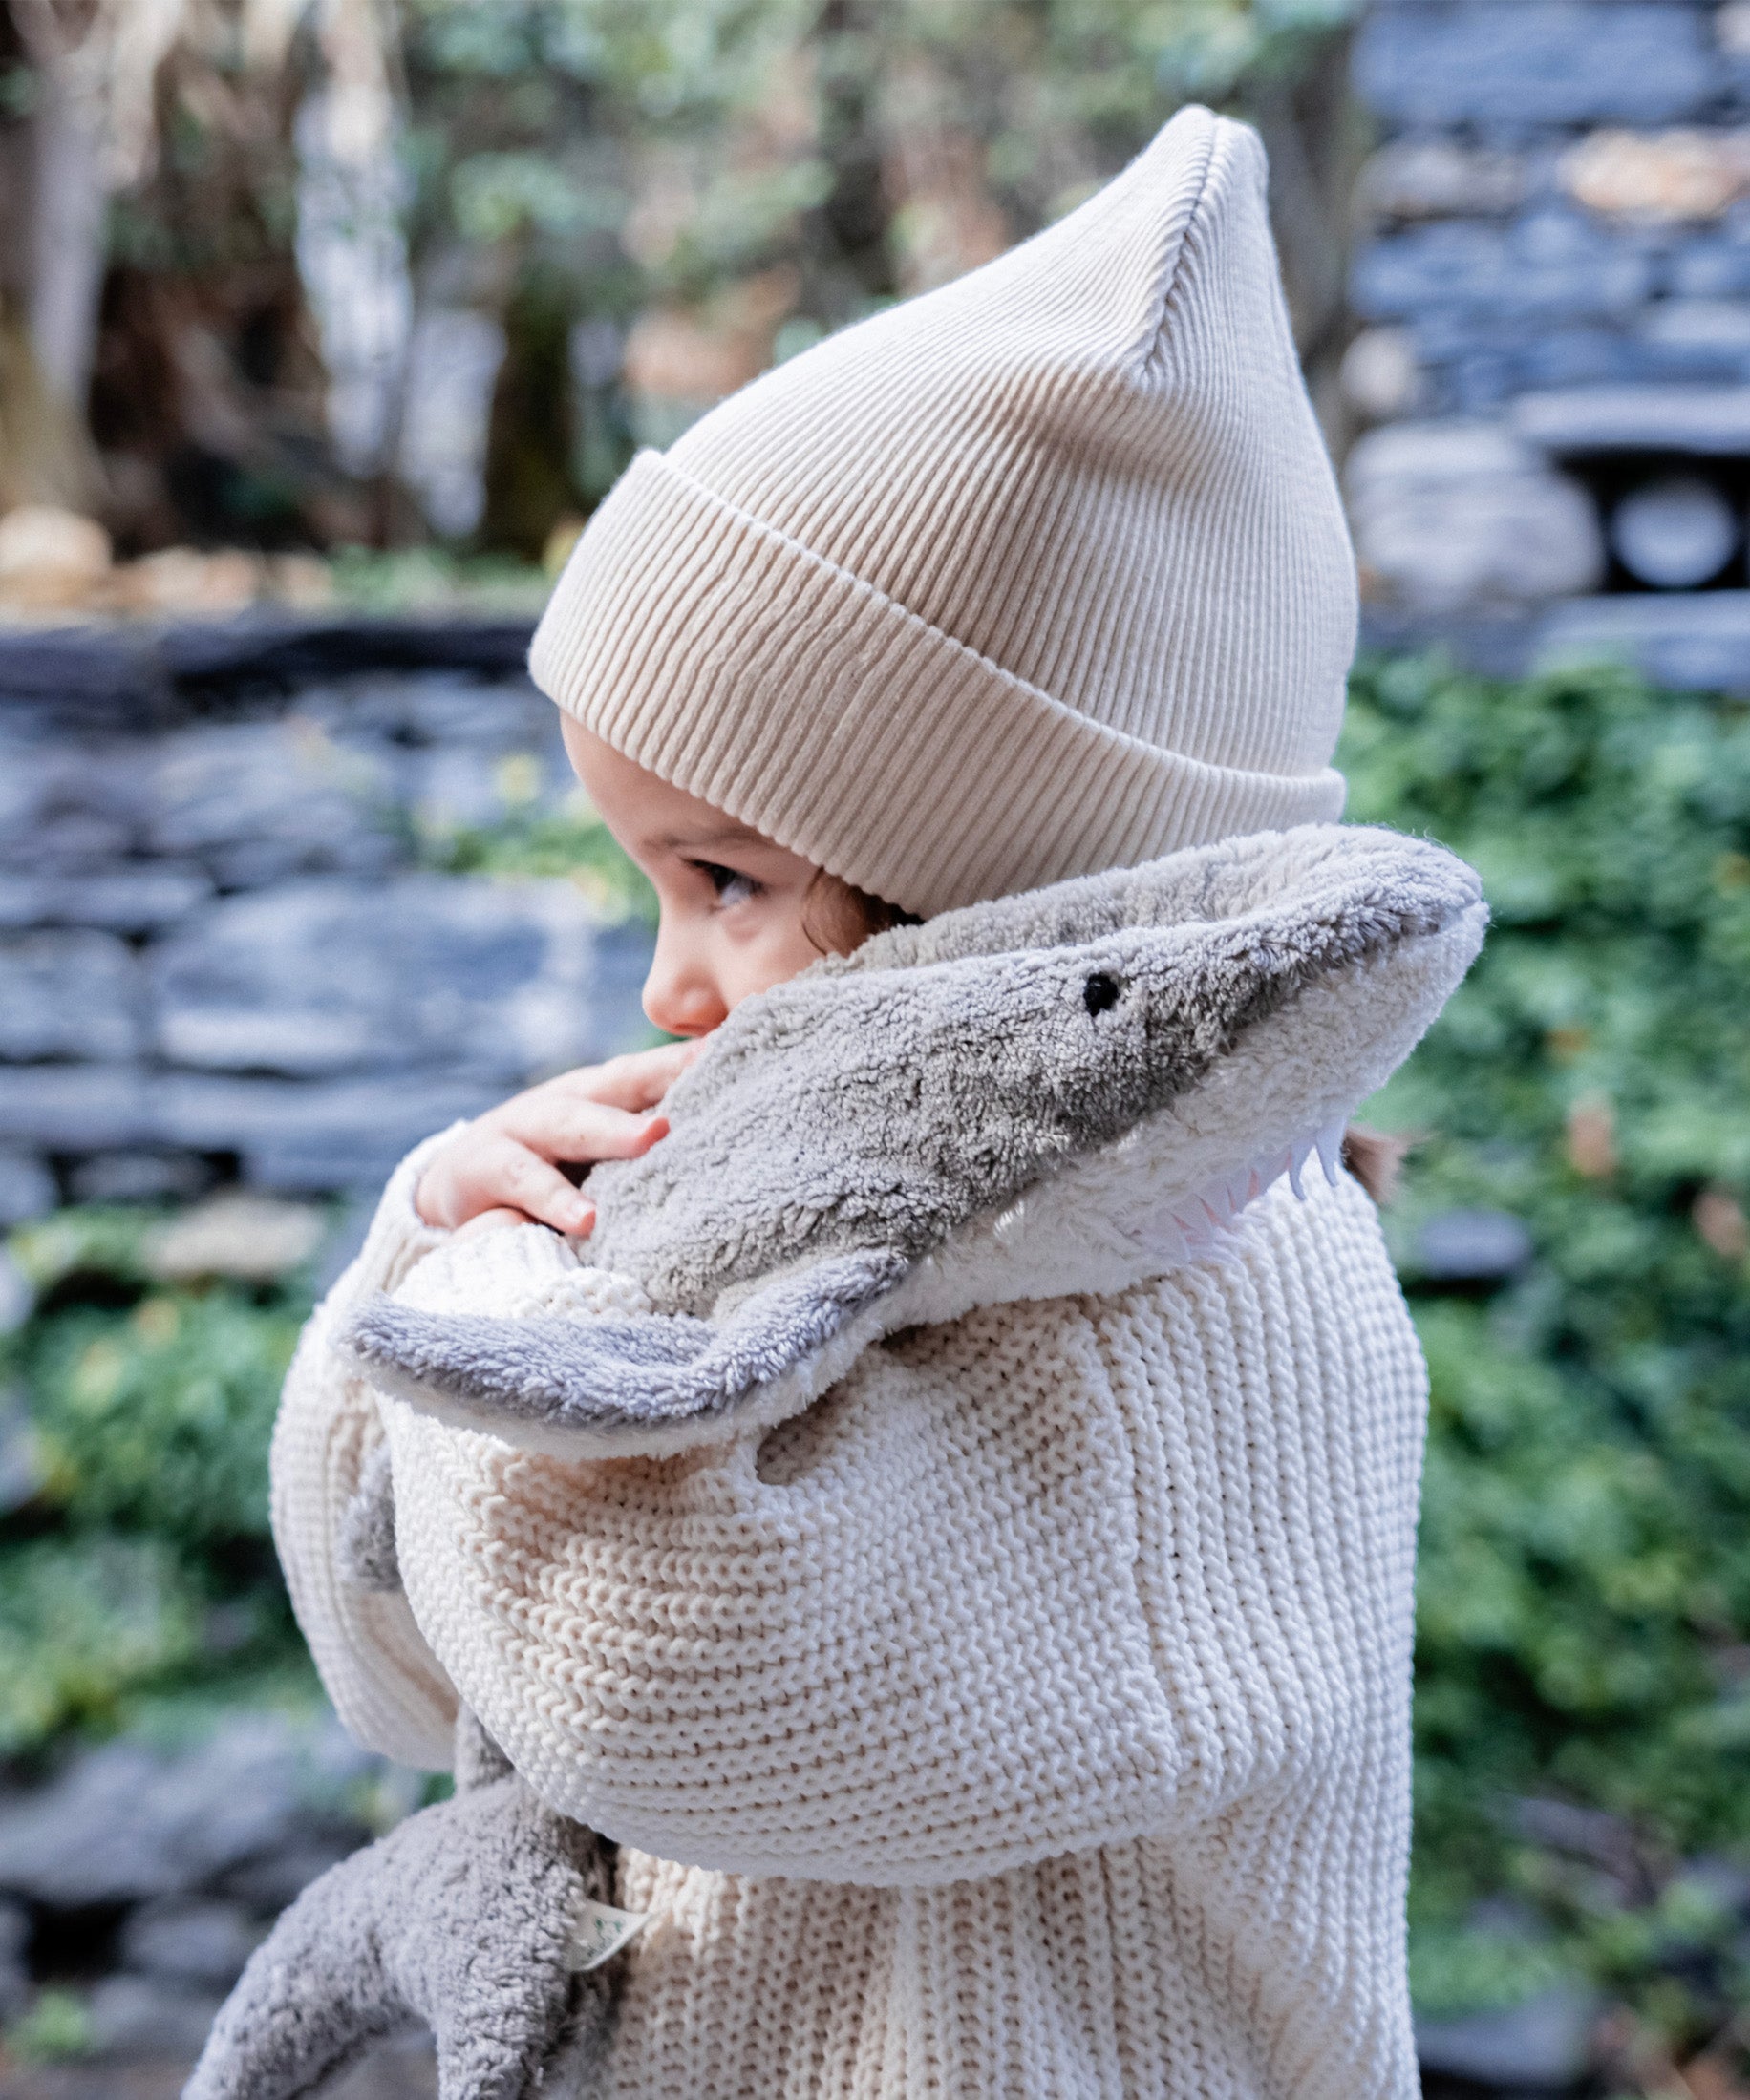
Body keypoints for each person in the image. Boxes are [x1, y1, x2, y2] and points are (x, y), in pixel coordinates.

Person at [203, 106, 1483, 2100]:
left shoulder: (1207, 1315)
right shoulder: (818, 1227)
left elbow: (639, 1676)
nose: (660, 983)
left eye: (726, 880)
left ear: (995, 900)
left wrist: (499, 1311)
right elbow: (406, 1671)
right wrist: (435, 1245)